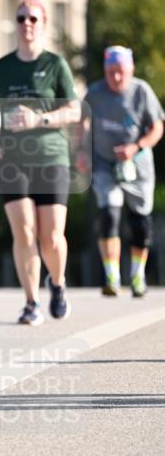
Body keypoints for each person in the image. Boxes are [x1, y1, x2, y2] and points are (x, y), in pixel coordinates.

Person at [0, 0, 80, 326]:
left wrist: (38, 119)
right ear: (15, 24)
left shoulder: (55, 64)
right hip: (12, 161)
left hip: (51, 158)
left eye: (33, 19)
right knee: (24, 232)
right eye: (21, 18)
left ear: (43, 24)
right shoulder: (0, 68)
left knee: (51, 236)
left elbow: (74, 111)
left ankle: (58, 282)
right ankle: (31, 302)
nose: (27, 23)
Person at [85, 45, 164, 297]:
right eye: (111, 72)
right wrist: (81, 152)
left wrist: (136, 147)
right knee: (109, 214)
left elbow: (157, 128)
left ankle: (138, 275)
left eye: (120, 71)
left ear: (131, 69)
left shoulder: (141, 91)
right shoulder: (94, 94)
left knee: (140, 223)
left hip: (137, 165)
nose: (116, 77)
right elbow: (82, 123)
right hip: (104, 164)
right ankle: (112, 276)